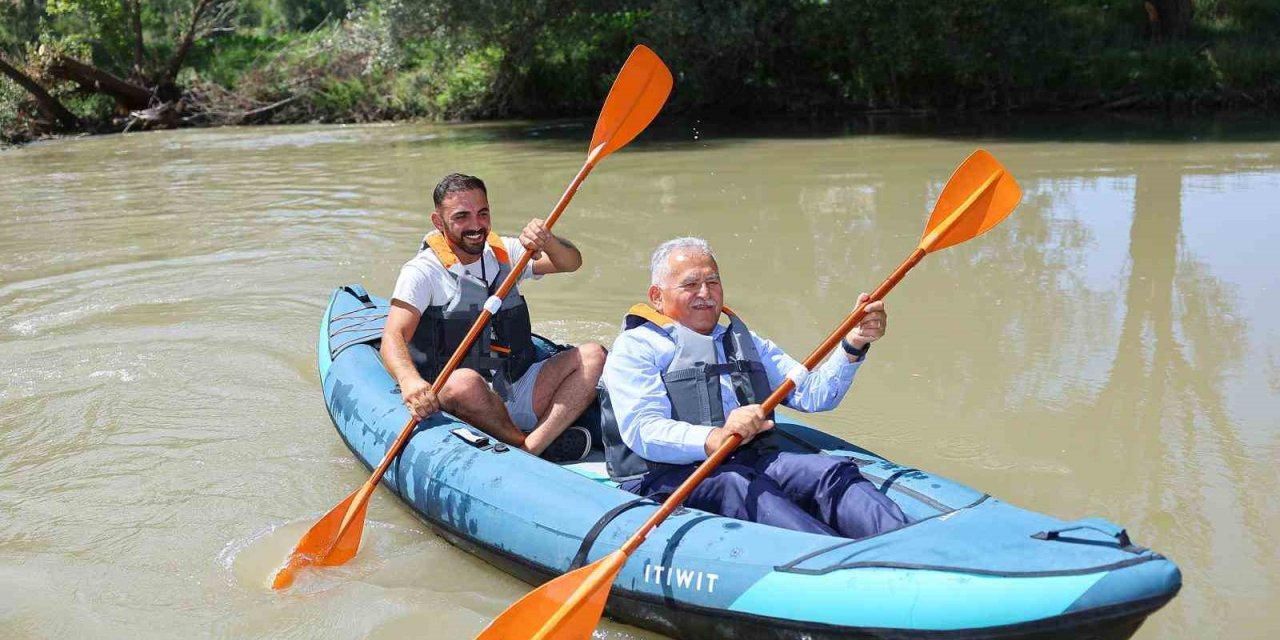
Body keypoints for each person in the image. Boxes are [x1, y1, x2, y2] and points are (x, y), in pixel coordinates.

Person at [599, 237, 909, 538]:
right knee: (738, 485)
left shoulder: (744, 340)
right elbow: (644, 431)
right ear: (657, 296)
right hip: (665, 477)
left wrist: (853, 344)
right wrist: (715, 438)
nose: (705, 293)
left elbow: (814, 395)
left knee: (830, 472)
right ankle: (843, 562)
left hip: (745, 459)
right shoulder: (637, 347)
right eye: (691, 284)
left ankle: (908, 542)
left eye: (713, 282)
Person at [380, 173, 605, 462]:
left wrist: (548, 241)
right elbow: (392, 337)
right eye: (462, 217)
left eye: (482, 213)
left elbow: (570, 262)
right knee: (464, 383)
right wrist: (410, 380)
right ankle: (531, 444)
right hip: (461, 395)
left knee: (593, 355)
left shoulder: (506, 252)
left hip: (514, 383)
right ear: (438, 222)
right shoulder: (422, 272)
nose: (475, 225)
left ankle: (532, 447)